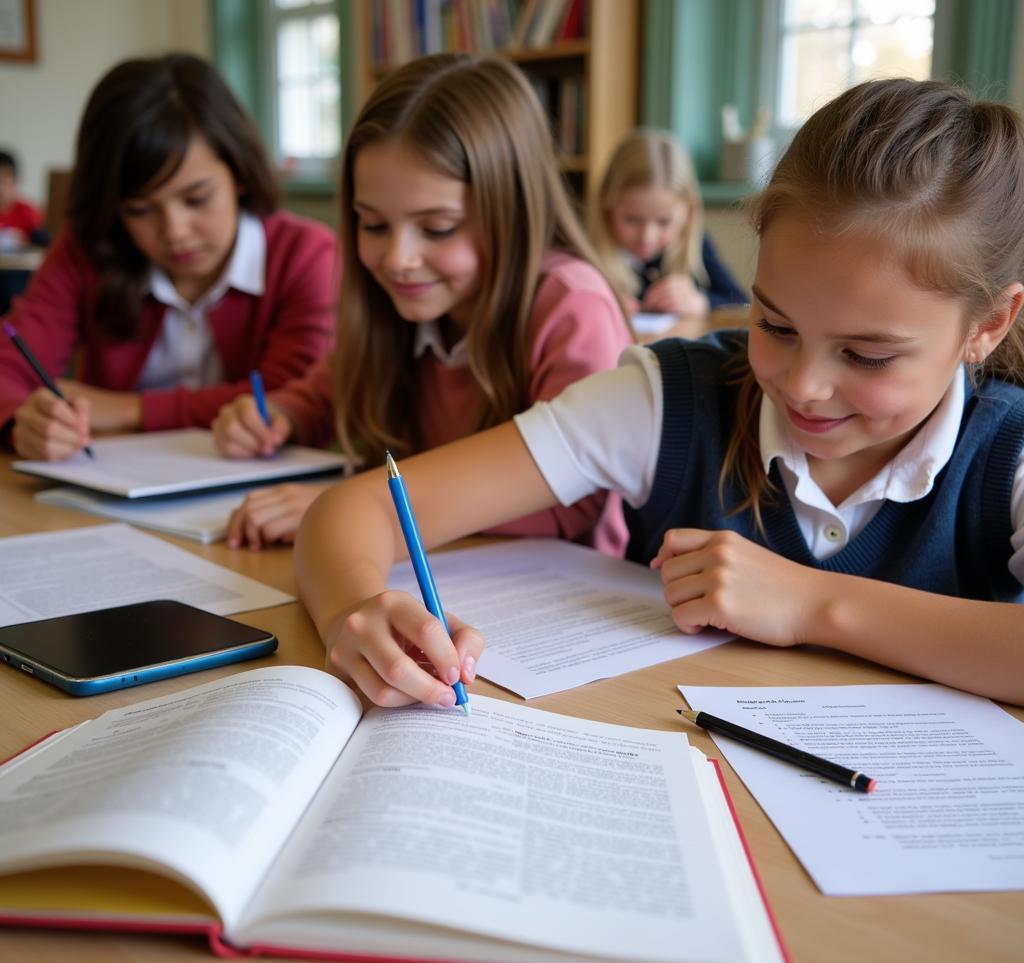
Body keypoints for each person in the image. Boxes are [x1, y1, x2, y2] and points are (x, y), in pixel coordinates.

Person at [293, 78, 1024, 710]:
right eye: (773, 323)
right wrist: (357, 614)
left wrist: (811, 604)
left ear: (988, 326)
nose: (803, 385)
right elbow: (351, 512)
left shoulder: (1008, 452)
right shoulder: (668, 399)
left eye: (867, 354)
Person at [212, 52, 632, 553]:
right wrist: (280, 413)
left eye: (437, 228)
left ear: (511, 214)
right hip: (431, 574)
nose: (398, 258)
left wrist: (357, 511)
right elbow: (327, 392)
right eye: (372, 224)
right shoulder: (400, 309)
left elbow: (574, 491)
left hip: (564, 601)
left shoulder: (571, 306)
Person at [0, 53, 337, 461]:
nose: (174, 231)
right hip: (105, 498)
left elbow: (292, 398)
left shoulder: (305, 255)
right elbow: (10, 369)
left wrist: (127, 410)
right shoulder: (90, 247)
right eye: (140, 210)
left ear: (240, 173)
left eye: (196, 199)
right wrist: (24, 424)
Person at [590, 127, 747, 319]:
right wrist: (597, 303)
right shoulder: (585, 249)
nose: (647, 237)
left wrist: (701, 302)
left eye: (664, 222)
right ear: (607, 203)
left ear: (689, 212)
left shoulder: (697, 243)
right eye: (632, 220)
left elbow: (741, 302)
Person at [0, 149, 46, 248]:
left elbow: (44, 242)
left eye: (4, 181)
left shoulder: (27, 212)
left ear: (16, 181)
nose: (1, 187)